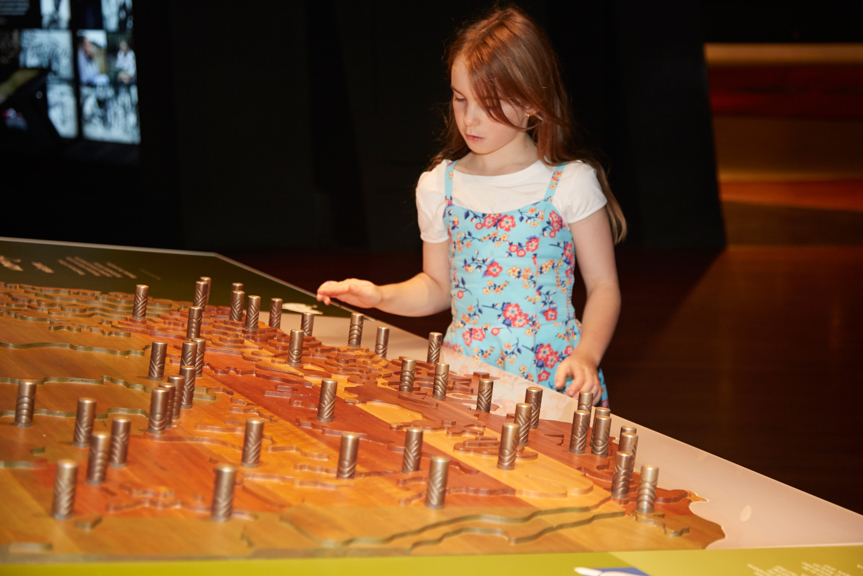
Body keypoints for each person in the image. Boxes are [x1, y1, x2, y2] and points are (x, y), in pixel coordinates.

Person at [316, 5, 626, 406]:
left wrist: (586, 355)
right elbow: (437, 287)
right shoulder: (439, 186)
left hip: (552, 377)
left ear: (532, 103)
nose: (470, 120)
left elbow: (604, 287)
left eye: (490, 103)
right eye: (460, 99)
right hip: (465, 377)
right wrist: (380, 296)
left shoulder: (569, 183)